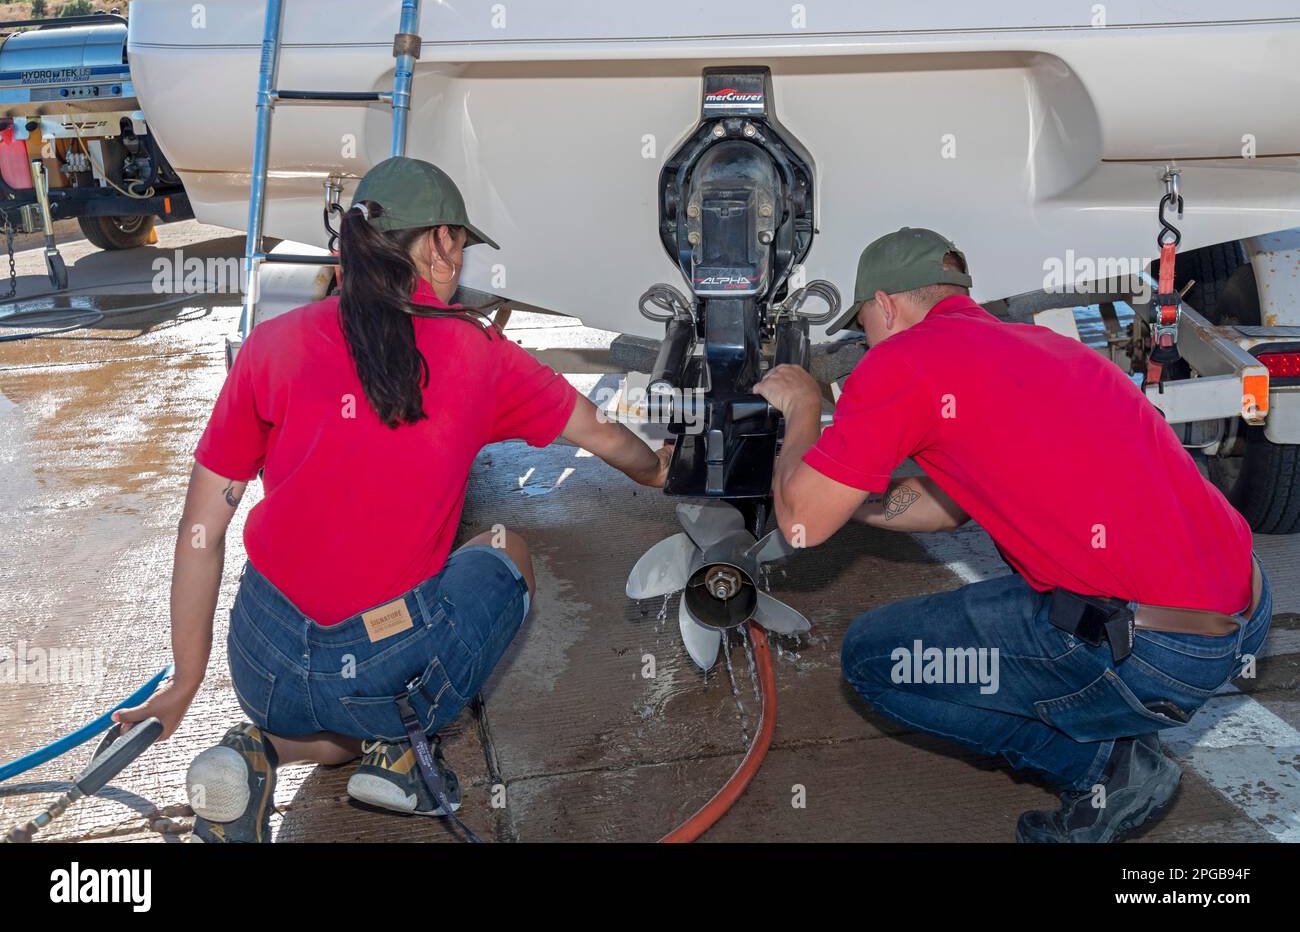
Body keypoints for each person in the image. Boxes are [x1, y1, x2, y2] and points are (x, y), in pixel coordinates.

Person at [114, 156, 669, 842]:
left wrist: (185, 682)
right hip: (384, 665)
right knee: (505, 549)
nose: (461, 257)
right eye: (460, 242)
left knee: (341, 707)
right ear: (437, 243)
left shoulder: (271, 346)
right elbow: (607, 439)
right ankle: (398, 745)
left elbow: (201, 532)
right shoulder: (481, 355)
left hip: (262, 659)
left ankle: (259, 752)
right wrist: (657, 472)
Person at [754, 227, 1271, 843]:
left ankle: (1105, 766)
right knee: (1021, 605)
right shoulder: (1042, 346)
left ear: (886, 305)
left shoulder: (901, 360)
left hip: (1160, 647)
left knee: (875, 657)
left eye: (863, 322)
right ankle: (1112, 724)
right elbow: (946, 508)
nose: (865, 338)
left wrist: (804, 408)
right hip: (1243, 610)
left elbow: (801, 524)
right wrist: (849, 493)